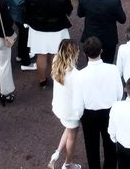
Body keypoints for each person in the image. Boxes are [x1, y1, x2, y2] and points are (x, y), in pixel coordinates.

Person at [72, 37, 123, 169]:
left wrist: (78, 115)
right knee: (111, 145)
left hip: (89, 115)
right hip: (110, 112)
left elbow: (78, 101)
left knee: (91, 147)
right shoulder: (113, 69)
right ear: (101, 50)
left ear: (85, 53)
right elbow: (119, 93)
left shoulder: (80, 75)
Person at [25, 0, 74, 88]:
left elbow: (27, 11)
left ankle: (42, 81)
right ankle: (56, 78)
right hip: (57, 29)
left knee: (41, 55)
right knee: (56, 54)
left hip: (38, 30)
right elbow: (69, 11)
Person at [78, 0, 128, 64]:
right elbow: (122, 20)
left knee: (91, 62)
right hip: (108, 39)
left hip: (90, 38)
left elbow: (80, 14)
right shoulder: (113, 1)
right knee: (108, 63)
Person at [47, 39, 82, 169]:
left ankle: (56, 154)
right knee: (72, 137)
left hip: (59, 106)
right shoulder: (76, 75)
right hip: (71, 111)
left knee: (68, 128)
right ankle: (67, 164)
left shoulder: (56, 61)